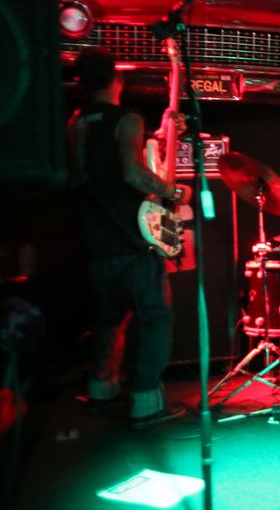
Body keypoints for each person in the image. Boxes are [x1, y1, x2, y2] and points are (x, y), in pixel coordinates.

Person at [68, 47, 191, 428]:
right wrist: (174, 192)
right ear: (117, 79)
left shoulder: (76, 122)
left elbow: (83, 175)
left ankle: (101, 389)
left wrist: (161, 135)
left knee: (109, 318)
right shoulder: (126, 119)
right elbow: (133, 173)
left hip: (95, 239)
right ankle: (145, 402)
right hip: (132, 239)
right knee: (155, 317)